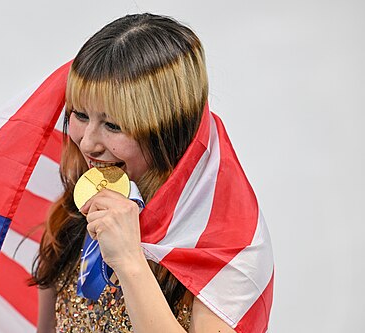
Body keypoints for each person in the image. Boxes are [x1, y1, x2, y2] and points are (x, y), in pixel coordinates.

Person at [31, 13, 273, 333]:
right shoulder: (74, 210)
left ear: (170, 130)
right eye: (80, 113)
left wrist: (130, 261)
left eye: (113, 125)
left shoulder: (228, 247)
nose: (87, 142)